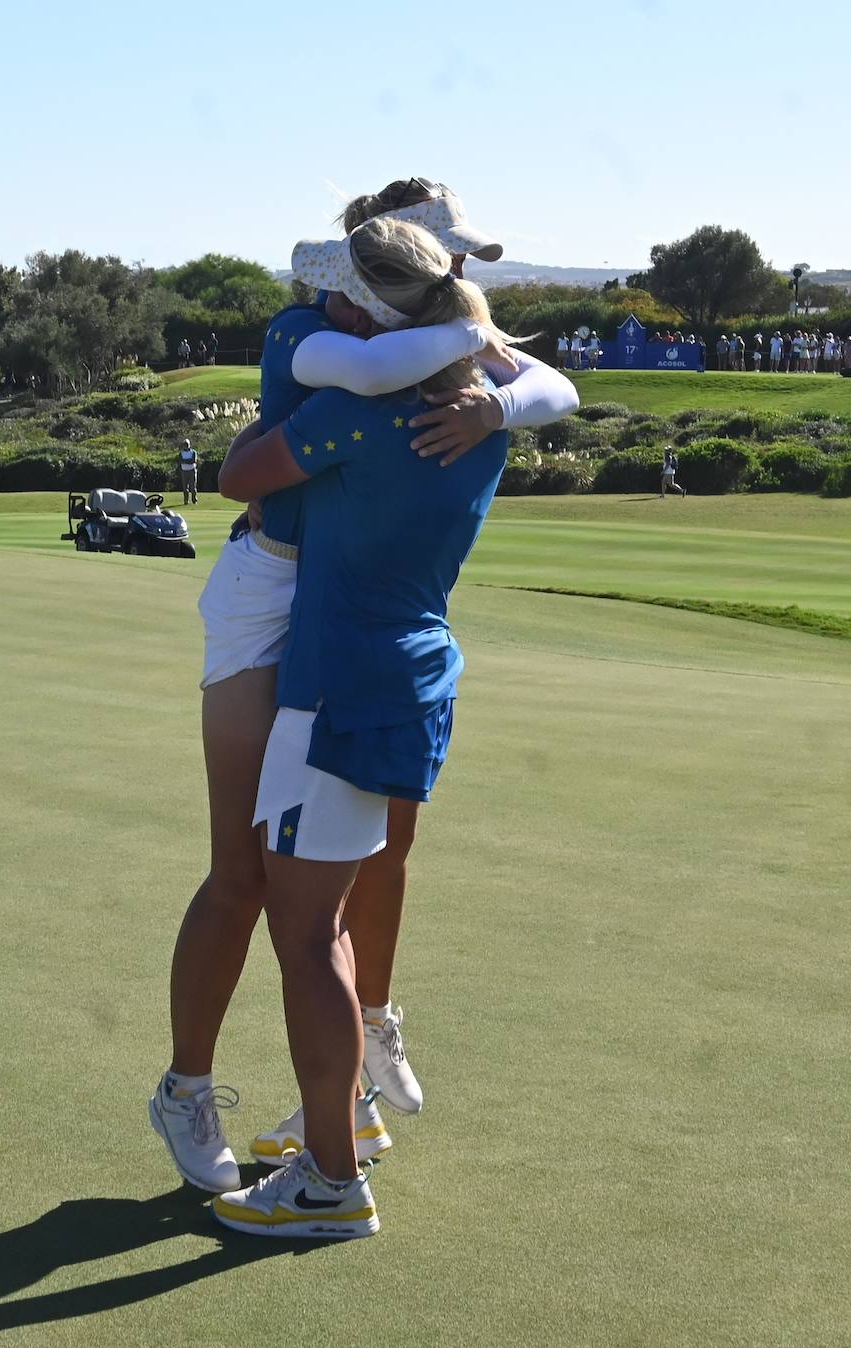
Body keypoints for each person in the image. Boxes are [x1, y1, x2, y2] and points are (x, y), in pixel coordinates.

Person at [149, 184, 578, 1203]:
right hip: (274, 592)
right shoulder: (317, 328)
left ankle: (348, 1101)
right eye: (450, 257)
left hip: (347, 607)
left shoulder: (438, 337)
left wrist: (495, 397)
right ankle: (187, 1088)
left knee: (350, 875)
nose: (465, 274)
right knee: (248, 877)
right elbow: (269, 453)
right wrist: (476, 377)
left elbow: (550, 384)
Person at [206, 216, 513, 1239]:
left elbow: (239, 478)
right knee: (326, 927)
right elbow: (537, 384)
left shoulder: (351, 418)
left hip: (335, 692)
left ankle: (332, 1180)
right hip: (418, 679)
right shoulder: (487, 413)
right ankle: (350, 1131)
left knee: (302, 937)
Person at [179, 439, 198, 505]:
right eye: (185, 444)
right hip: (184, 471)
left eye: (187, 444)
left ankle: (194, 500)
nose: (186, 446)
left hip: (192, 470)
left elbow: (193, 460)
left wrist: (185, 461)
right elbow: (181, 461)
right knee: (185, 487)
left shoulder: (193, 452)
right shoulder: (181, 453)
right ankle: (186, 501)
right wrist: (188, 461)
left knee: (193, 487)